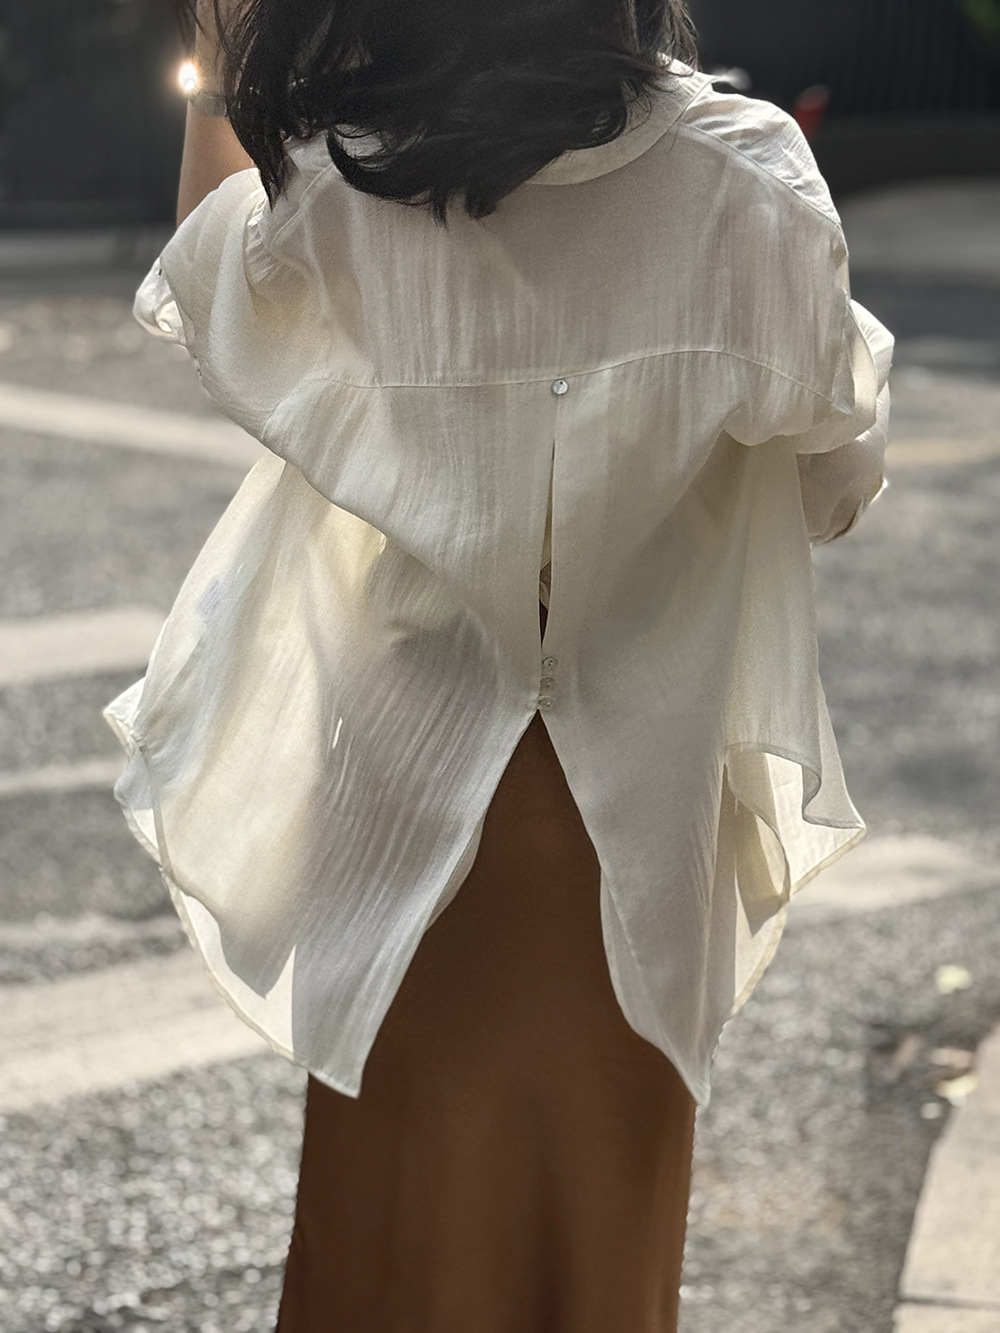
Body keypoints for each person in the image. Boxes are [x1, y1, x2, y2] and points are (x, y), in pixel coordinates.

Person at [102, 0, 893, 1328]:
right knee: (591, 1249)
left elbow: (210, 277)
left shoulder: (351, 185)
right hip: (625, 823)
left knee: (395, 1239)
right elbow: (834, 484)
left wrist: (221, 57)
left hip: (398, 799)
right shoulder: (744, 182)